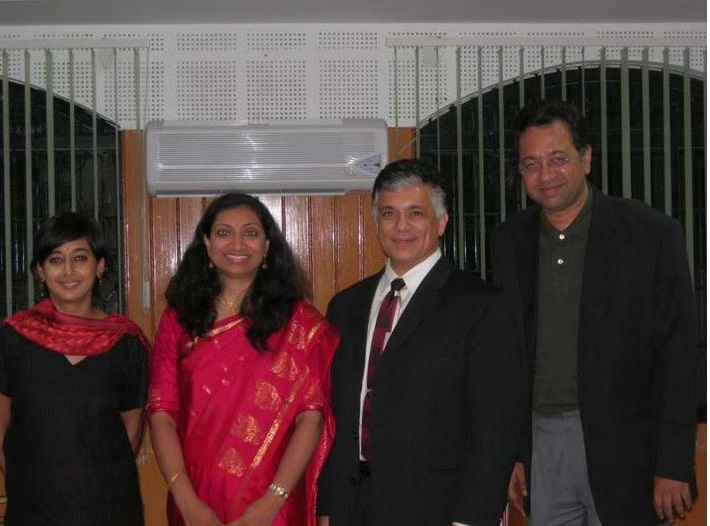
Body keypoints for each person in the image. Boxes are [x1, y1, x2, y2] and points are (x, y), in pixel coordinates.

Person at [490, 99, 698, 526]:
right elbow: (504, 357)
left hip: (630, 446)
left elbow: (680, 354)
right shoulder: (507, 242)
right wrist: (512, 451)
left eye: (558, 159)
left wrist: (673, 462)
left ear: (586, 159)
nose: (545, 175)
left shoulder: (651, 235)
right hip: (541, 442)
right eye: (530, 163)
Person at [317, 159, 524, 526]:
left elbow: (494, 429)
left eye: (416, 213)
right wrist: (329, 504)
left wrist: (470, 519)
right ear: (376, 220)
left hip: (438, 510)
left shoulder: (481, 306)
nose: (401, 226)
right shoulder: (345, 307)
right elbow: (338, 417)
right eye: (389, 213)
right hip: (354, 506)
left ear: (441, 222)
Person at [147, 192, 339, 526]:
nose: (237, 243)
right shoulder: (178, 320)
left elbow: (311, 417)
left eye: (250, 233)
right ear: (206, 243)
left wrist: (269, 504)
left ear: (267, 247)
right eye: (224, 233)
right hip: (193, 499)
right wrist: (187, 502)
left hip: (274, 503)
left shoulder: (299, 323)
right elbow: (162, 412)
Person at [0, 212, 149, 526]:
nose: (68, 270)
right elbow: (2, 429)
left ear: (100, 267)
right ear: (40, 272)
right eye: (55, 260)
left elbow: (131, 433)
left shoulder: (125, 343)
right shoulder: (13, 338)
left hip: (109, 508)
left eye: (80, 257)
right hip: (33, 508)